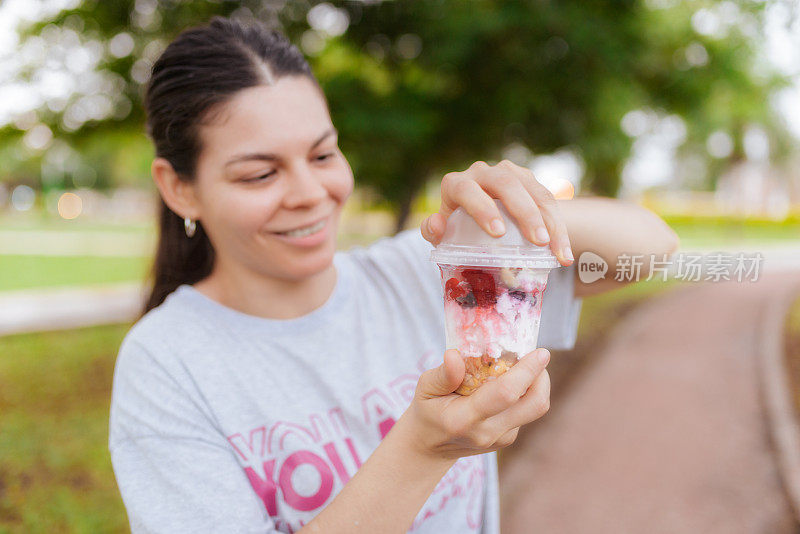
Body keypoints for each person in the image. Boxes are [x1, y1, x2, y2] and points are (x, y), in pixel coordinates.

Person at [108, 16, 679, 534]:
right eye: (260, 174)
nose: (311, 194)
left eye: (324, 155)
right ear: (179, 186)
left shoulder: (434, 274)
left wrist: (508, 209)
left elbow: (651, 249)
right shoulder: (166, 363)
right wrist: (423, 450)